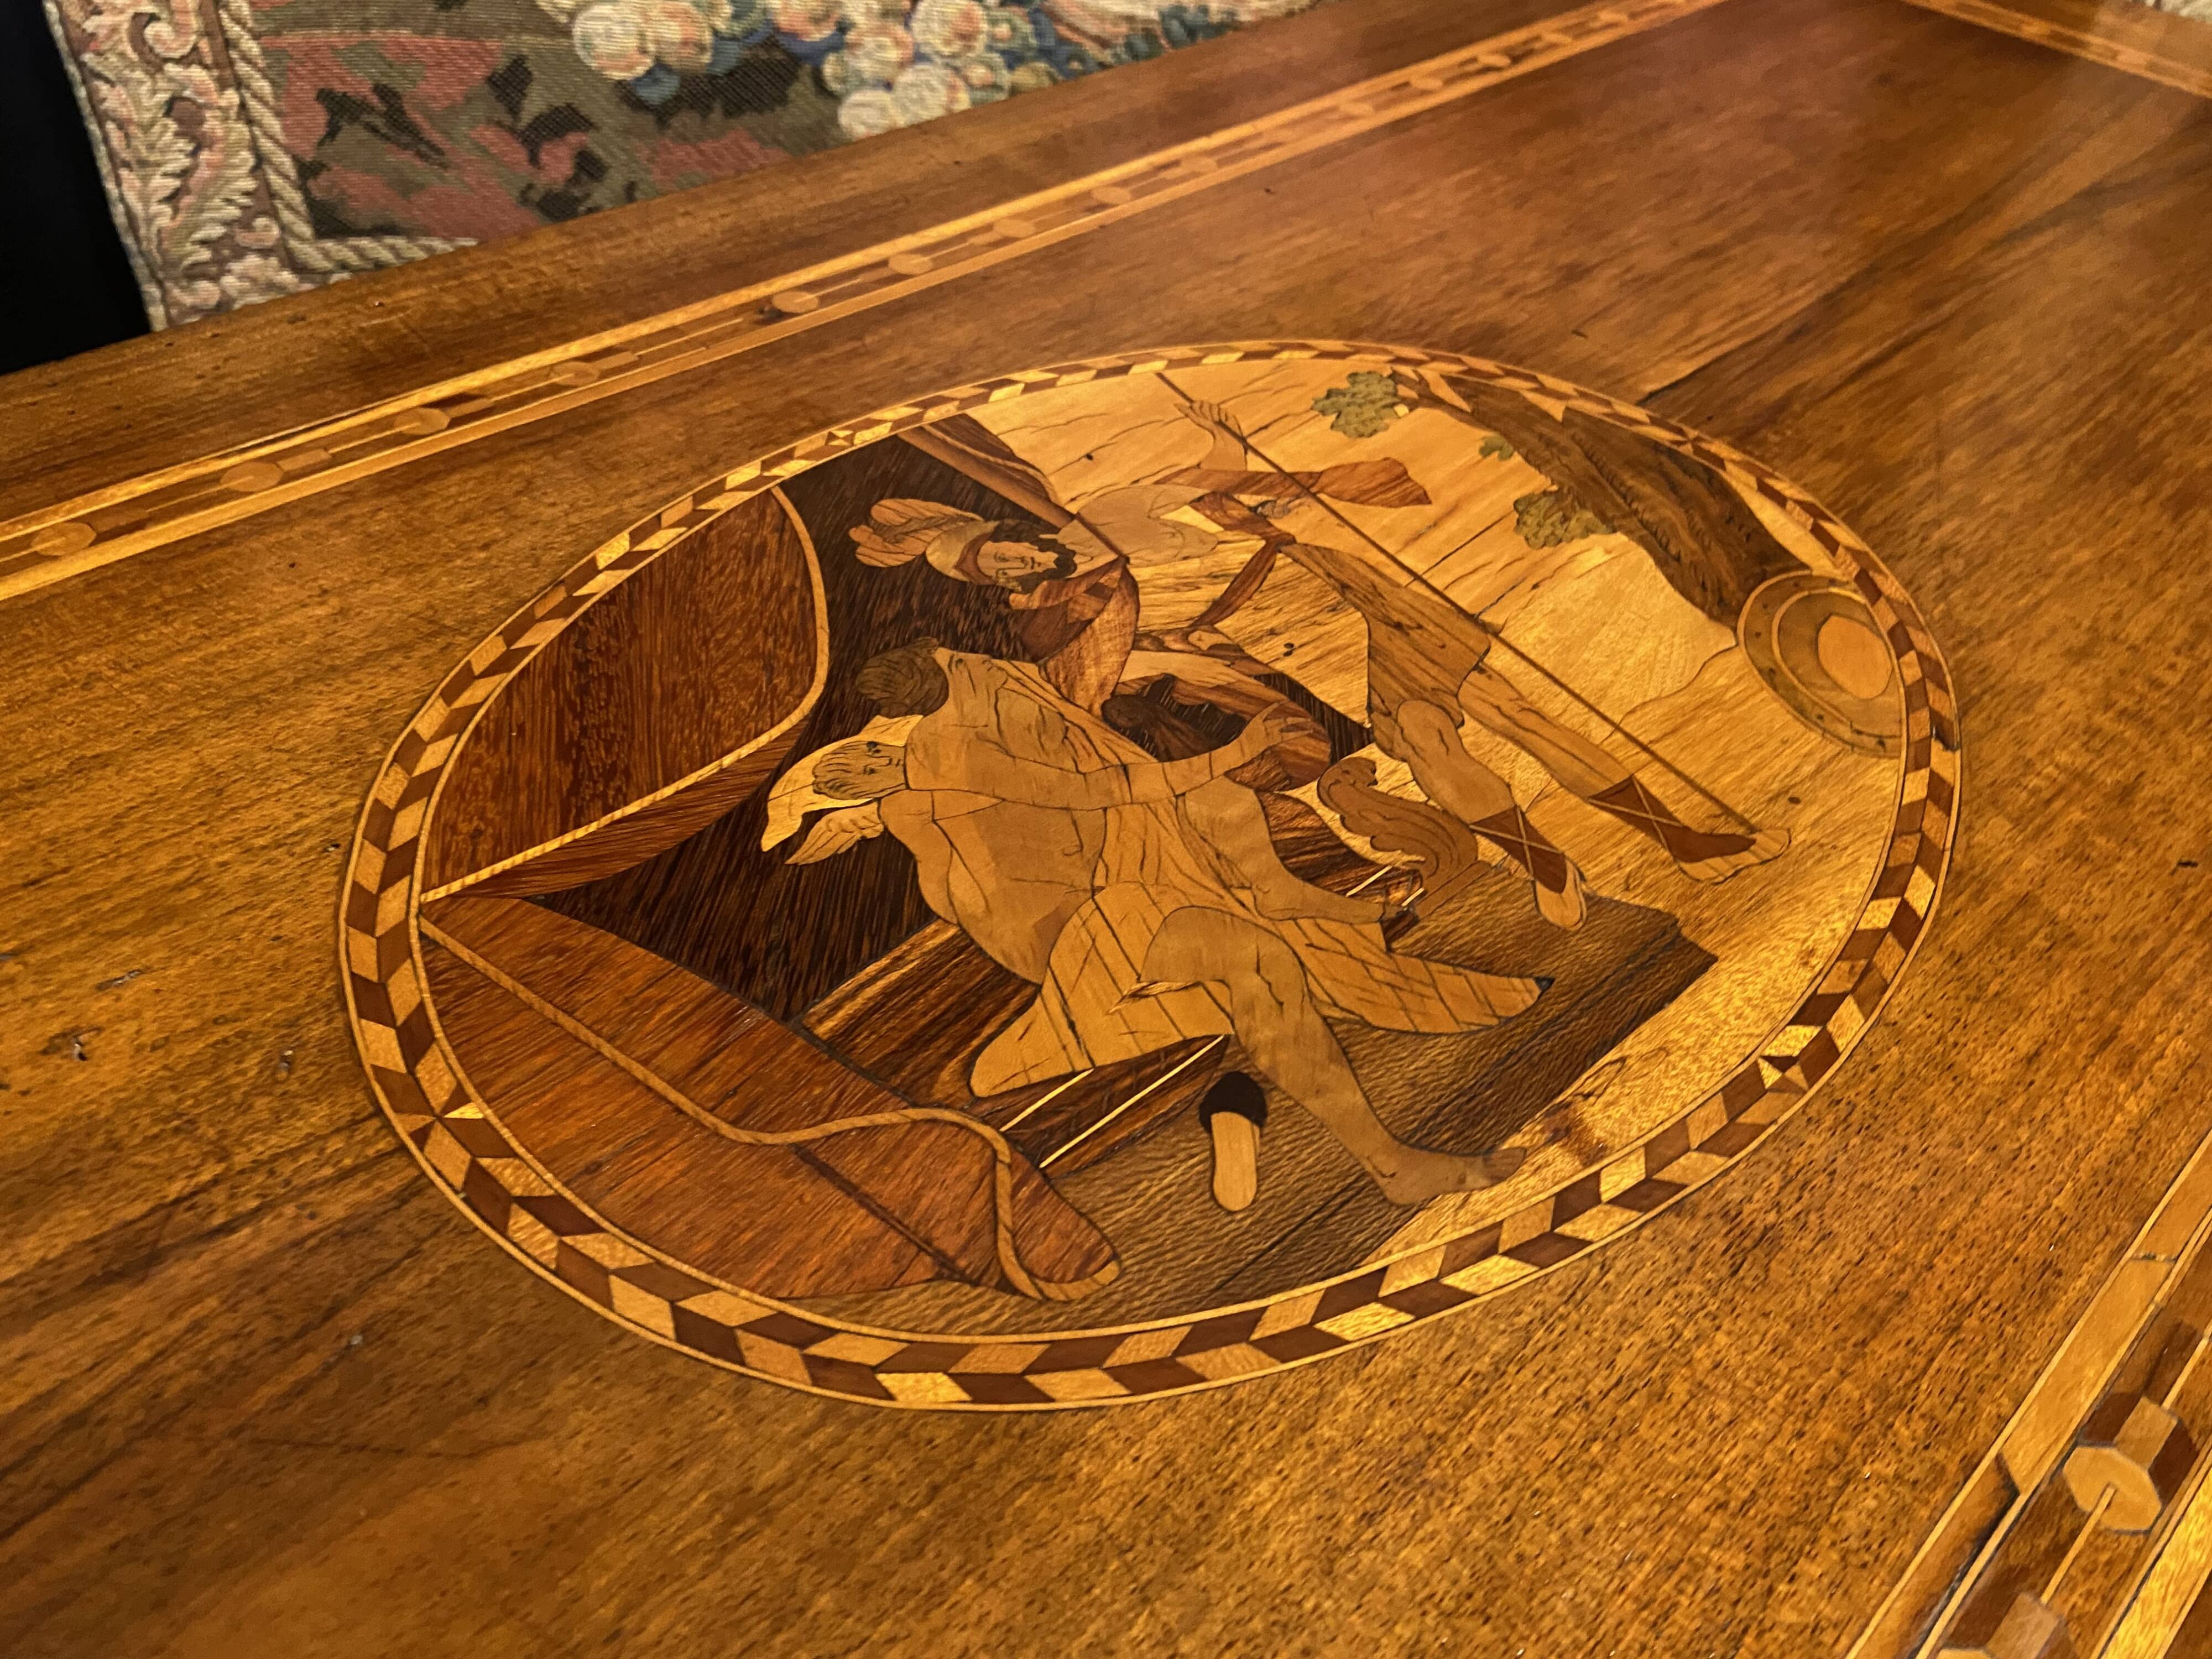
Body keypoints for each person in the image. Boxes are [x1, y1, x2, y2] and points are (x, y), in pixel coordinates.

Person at [765, 641, 1545, 1207]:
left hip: (1102, 904)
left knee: (1261, 943)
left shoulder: (940, 761)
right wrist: (1236, 750)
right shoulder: (947, 766)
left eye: (865, 758)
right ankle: (1390, 1163)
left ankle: (1357, 1072)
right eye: (856, 776)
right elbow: (1110, 791)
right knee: (1260, 956)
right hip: (1080, 931)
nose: (979, 675)